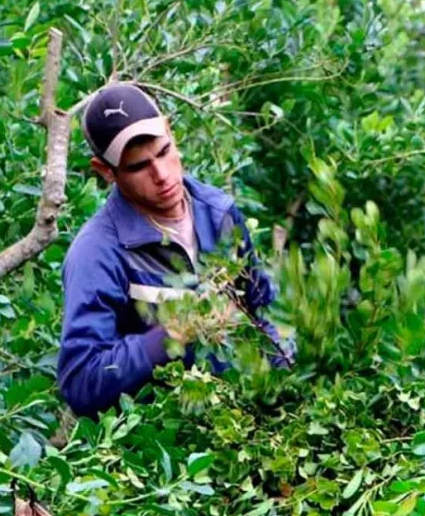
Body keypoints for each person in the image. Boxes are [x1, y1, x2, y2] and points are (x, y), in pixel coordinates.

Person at [57, 83, 291, 418]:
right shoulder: (98, 253)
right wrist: (167, 338)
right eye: (139, 167)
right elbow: (81, 381)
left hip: (233, 421)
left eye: (164, 152)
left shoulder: (218, 213)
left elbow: (263, 308)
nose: (162, 175)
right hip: (157, 442)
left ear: (170, 131)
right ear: (106, 171)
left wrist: (282, 367)